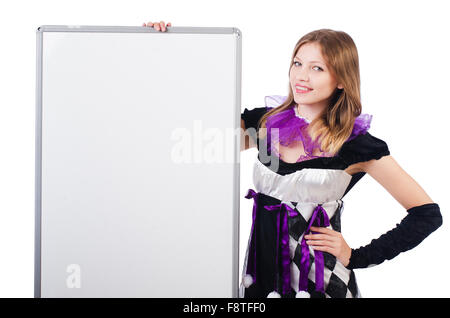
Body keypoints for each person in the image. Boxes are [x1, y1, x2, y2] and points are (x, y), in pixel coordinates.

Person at [143, 21, 443, 298]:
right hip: (261, 274)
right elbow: (181, 130)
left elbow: (427, 214)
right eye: (298, 63)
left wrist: (357, 256)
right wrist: (162, 48)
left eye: (317, 68)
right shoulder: (262, 124)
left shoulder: (358, 146)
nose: (301, 75)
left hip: (321, 280)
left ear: (341, 79)